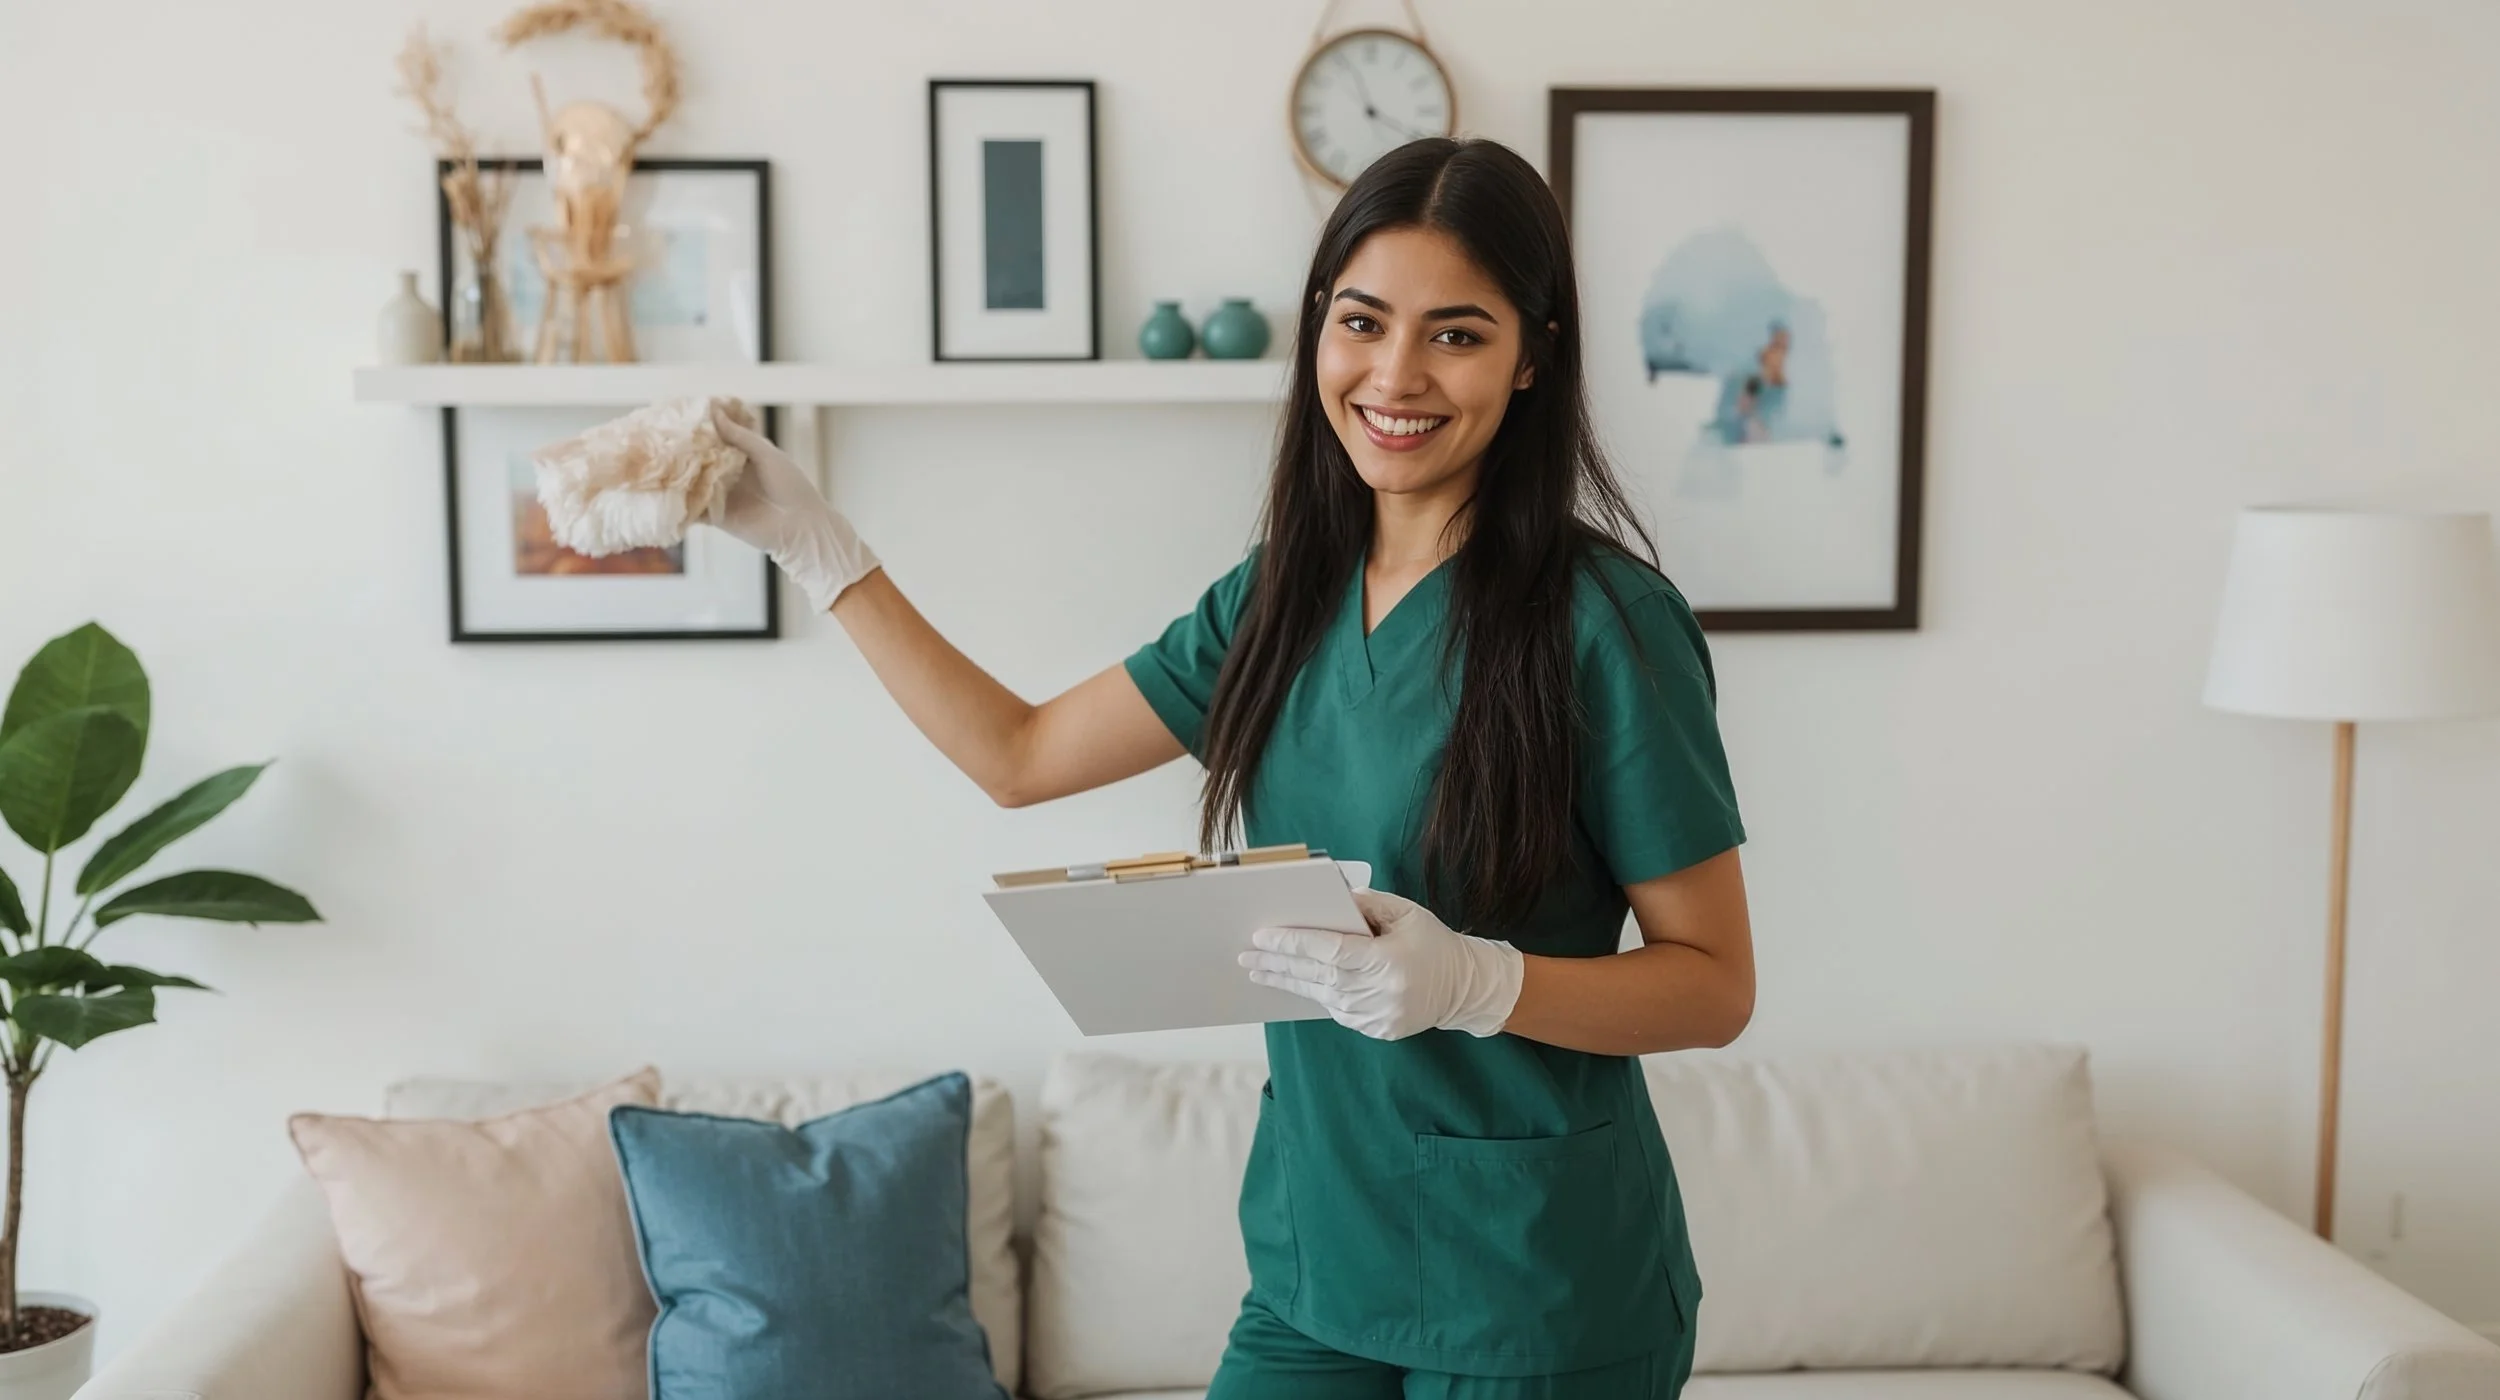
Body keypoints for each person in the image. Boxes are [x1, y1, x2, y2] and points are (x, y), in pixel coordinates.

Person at [707, 136, 1754, 1400]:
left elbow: (1713, 984)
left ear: (1533, 354)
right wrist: (821, 549)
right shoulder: (1276, 601)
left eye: (1457, 334)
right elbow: (1019, 755)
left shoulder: (1606, 622)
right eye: (1361, 321)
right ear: (1318, 327)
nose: (1396, 374)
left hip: (1535, 1286)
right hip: (1319, 1261)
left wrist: (1480, 980)